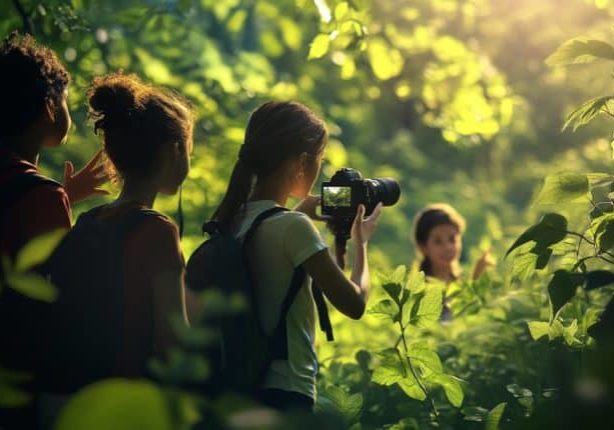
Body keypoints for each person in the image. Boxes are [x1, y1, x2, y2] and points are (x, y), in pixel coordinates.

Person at [207, 101, 382, 412]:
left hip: (242, 385)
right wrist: (361, 243)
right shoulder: (292, 227)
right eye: (320, 159)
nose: (319, 169)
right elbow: (354, 304)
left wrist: (300, 210)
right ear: (302, 162)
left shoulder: (232, 220)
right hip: (287, 390)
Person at [0, 32, 109, 430]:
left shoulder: (38, 193)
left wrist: (64, 194)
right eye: (64, 102)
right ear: (49, 107)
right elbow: (63, 303)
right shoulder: (41, 199)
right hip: (17, 378)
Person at [412, 203, 494, 319]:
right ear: (423, 247)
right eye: (438, 241)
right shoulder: (420, 290)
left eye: (452, 239)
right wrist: (476, 281)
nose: (448, 247)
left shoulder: (463, 280)